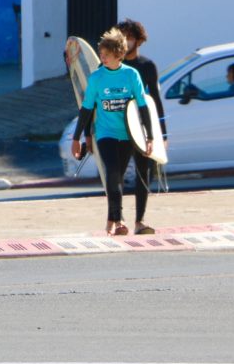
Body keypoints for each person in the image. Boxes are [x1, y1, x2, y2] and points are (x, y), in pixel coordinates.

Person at [71, 27, 153, 236]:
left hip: (128, 134)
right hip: (106, 133)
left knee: (118, 178)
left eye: (106, 55)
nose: (102, 58)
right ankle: (118, 221)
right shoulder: (97, 78)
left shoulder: (131, 75)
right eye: (101, 54)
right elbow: (87, 109)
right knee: (113, 172)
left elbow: (143, 106)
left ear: (118, 54)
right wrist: (77, 137)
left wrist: (149, 136)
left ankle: (111, 221)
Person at [118, 18, 167, 235]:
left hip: (142, 127)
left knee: (143, 173)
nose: (126, 41)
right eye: (123, 36)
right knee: (115, 175)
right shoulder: (110, 66)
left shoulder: (147, 66)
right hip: (117, 127)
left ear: (139, 40)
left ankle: (139, 220)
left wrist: (161, 133)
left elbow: (154, 100)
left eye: (129, 37)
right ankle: (117, 220)